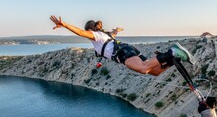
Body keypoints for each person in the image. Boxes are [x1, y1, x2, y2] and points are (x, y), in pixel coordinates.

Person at [50, 15, 195, 76]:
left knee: (144, 69)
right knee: (155, 72)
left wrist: (64, 25)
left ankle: (172, 52)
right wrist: (117, 31)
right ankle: (172, 60)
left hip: (123, 53)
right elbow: (113, 34)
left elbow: (81, 32)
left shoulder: (95, 35)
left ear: (90, 30)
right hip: (128, 49)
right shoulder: (105, 35)